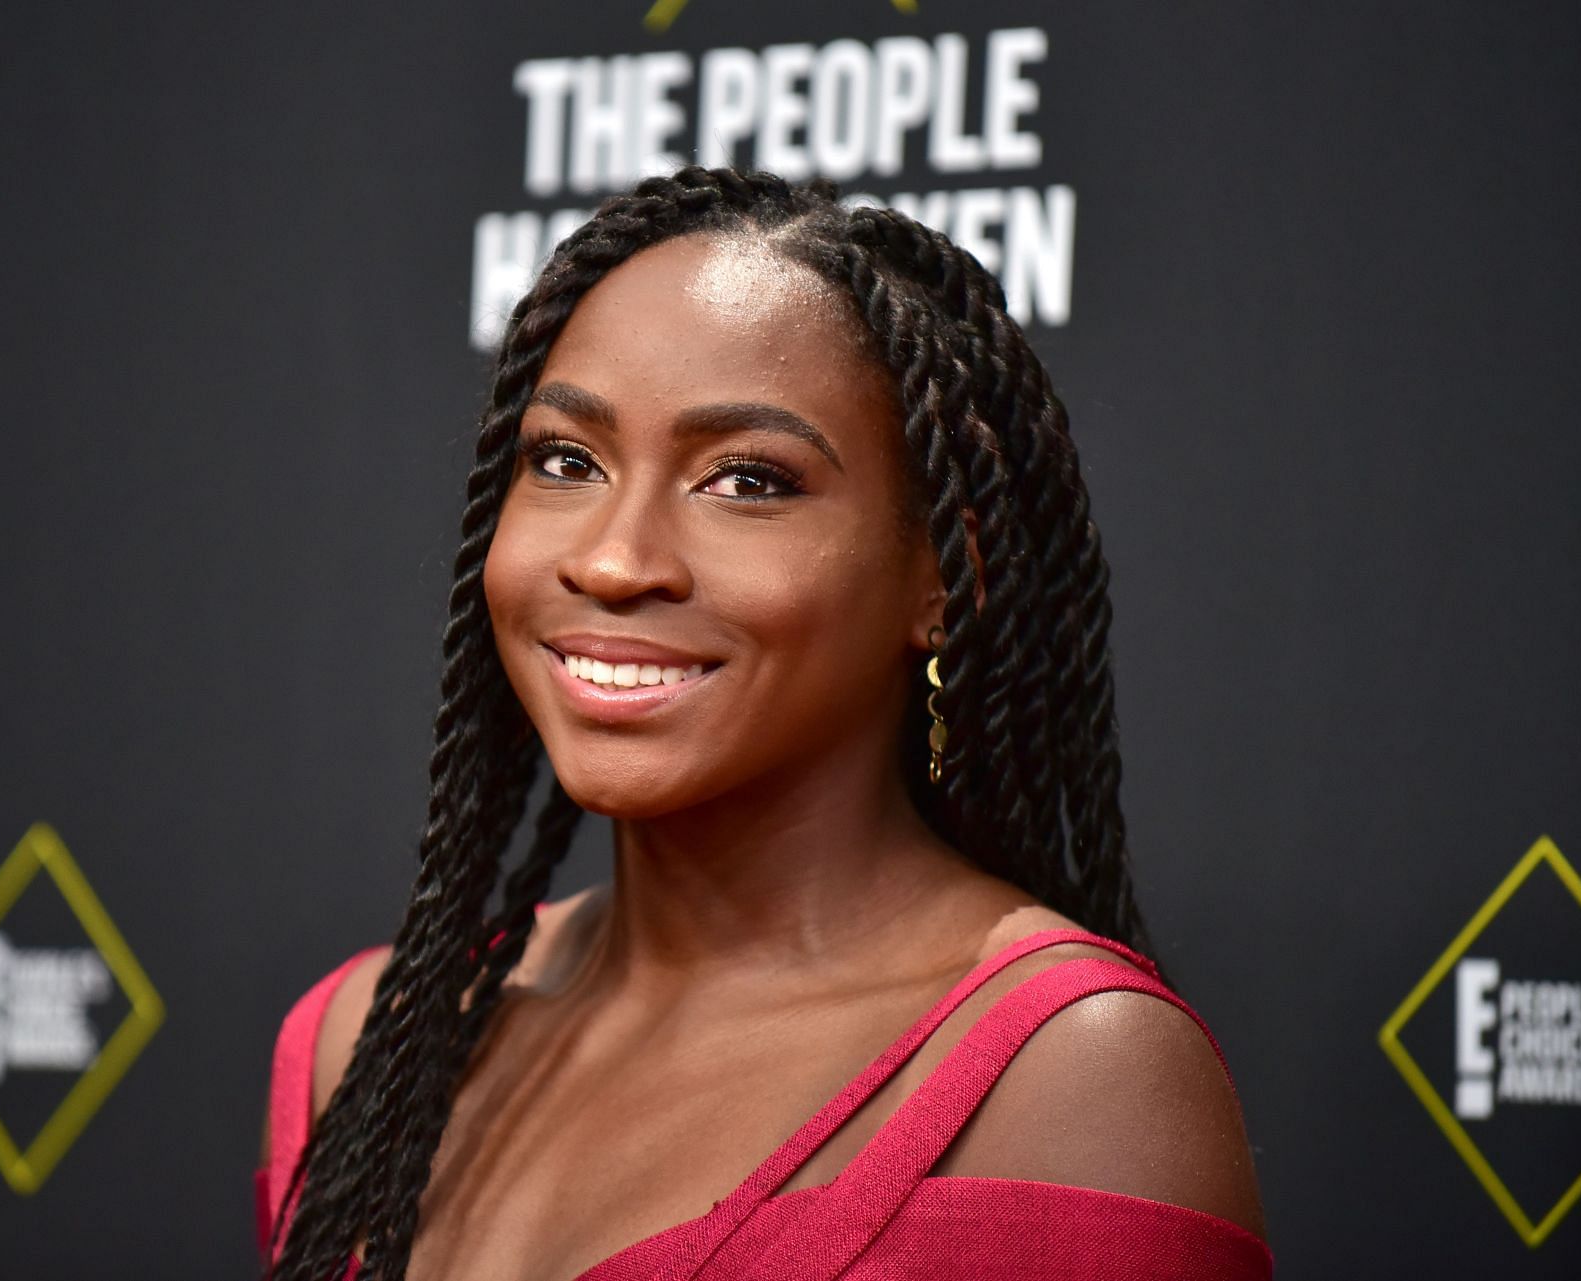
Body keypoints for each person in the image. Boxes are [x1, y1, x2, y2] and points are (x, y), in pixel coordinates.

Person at [256, 167, 1270, 1280]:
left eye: (747, 482)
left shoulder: (1069, 1073)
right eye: (565, 462)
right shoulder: (368, 1045)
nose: (612, 557)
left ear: (946, 576)